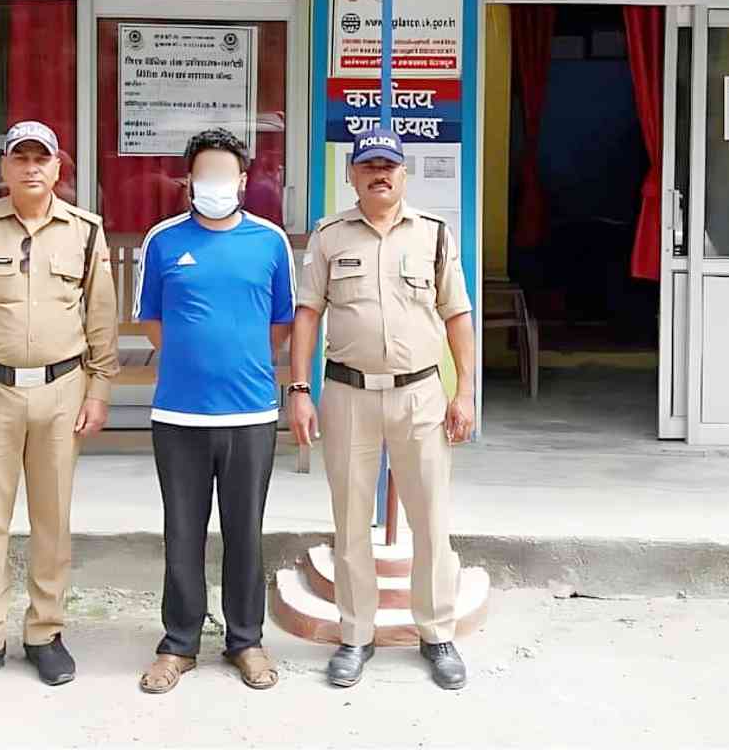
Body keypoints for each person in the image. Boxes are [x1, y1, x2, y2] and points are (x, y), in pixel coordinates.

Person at [0, 120, 119, 693]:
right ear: (5, 168)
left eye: (42, 158)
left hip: (63, 391)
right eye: (21, 158)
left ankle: (45, 632)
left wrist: (99, 390)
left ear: (58, 168)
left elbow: (101, 317)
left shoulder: (84, 231)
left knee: (52, 520)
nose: (32, 167)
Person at [289, 125, 476, 690]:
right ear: (351, 175)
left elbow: (457, 316)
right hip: (347, 395)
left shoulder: (434, 235)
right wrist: (299, 390)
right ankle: (355, 634)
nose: (379, 174)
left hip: (420, 395)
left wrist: (465, 391)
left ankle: (436, 633)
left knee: (431, 519)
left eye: (388, 166)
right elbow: (307, 314)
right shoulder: (329, 237)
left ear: (403, 174)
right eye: (368, 165)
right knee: (350, 521)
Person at [134, 128, 296, 695]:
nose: (216, 185)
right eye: (206, 174)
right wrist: (193, 360)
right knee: (182, 532)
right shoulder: (163, 241)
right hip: (180, 414)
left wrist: (238, 363)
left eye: (226, 175)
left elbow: (280, 324)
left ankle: (246, 639)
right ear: (188, 181)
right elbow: (153, 321)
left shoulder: (270, 242)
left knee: (245, 532)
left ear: (244, 181)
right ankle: (179, 643)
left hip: (249, 413)